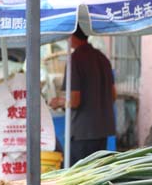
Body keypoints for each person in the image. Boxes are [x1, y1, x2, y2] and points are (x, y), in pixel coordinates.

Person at [49, 27, 116, 165]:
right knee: (96, 173)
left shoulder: (75, 59)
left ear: (72, 35)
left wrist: (58, 102)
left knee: (79, 173)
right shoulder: (103, 58)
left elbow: (74, 100)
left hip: (82, 132)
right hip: (102, 130)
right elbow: (113, 95)